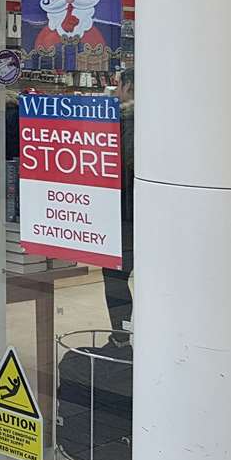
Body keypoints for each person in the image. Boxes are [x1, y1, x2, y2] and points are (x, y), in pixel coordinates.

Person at [102, 70, 134, 345]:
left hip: (126, 213)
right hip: (144, 213)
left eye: (120, 85)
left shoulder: (125, 120)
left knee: (114, 276)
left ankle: (121, 337)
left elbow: (126, 164)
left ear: (129, 86)